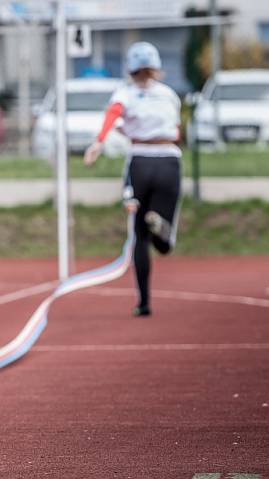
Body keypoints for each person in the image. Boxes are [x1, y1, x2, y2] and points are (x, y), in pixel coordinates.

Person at [83, 42, 182, 317]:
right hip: (169, 160)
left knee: (138, 236)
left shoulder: (124, 93)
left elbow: (113, 113)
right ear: (156, 67)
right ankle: (162, 231)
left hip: (140, 160)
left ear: (130, 68)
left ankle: (144, 302)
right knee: (164, 239)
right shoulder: (170, 95)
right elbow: (175, 129)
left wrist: (99, 142)